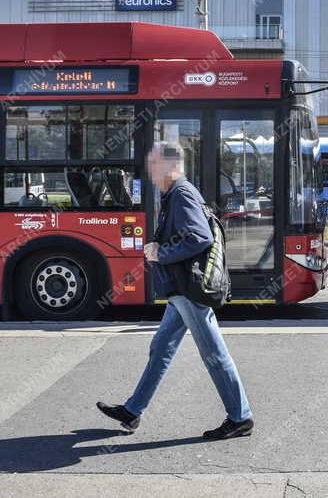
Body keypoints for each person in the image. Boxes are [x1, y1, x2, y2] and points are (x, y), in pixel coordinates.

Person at [97, 142, 253, 440]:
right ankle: (132, 411)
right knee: (161, 347)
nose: (150, 171)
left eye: (154, 164)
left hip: (188, 290)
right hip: (179, 290)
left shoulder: (181, 194)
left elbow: (199, 237)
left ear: (170, 166)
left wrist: (160, 253)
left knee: (214, 354)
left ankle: (240, 416)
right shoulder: (175, 194)